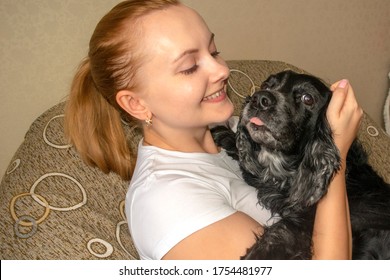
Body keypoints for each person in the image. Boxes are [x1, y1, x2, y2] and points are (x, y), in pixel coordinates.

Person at [64, 0, 363, 260]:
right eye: (190, 66)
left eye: (214, 51)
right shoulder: (167, 202)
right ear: (137, 105)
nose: (222, 70)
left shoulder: (234, 131)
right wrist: (334, 151)